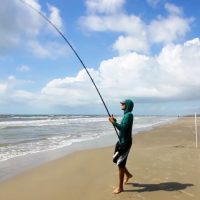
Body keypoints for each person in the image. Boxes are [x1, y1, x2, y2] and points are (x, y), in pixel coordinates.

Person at [109, 99, 134, 194]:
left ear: (127, 105)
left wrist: (113, 123)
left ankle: (120, 188)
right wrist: (114, 121)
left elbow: (123, 128)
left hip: (125, 143)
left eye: (123, 103)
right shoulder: (126, 115)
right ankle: (128, 174)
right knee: (116, 160)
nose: (121, 104)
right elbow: (123, 126)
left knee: (120, 164)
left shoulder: (129, 115)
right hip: (121, 142)